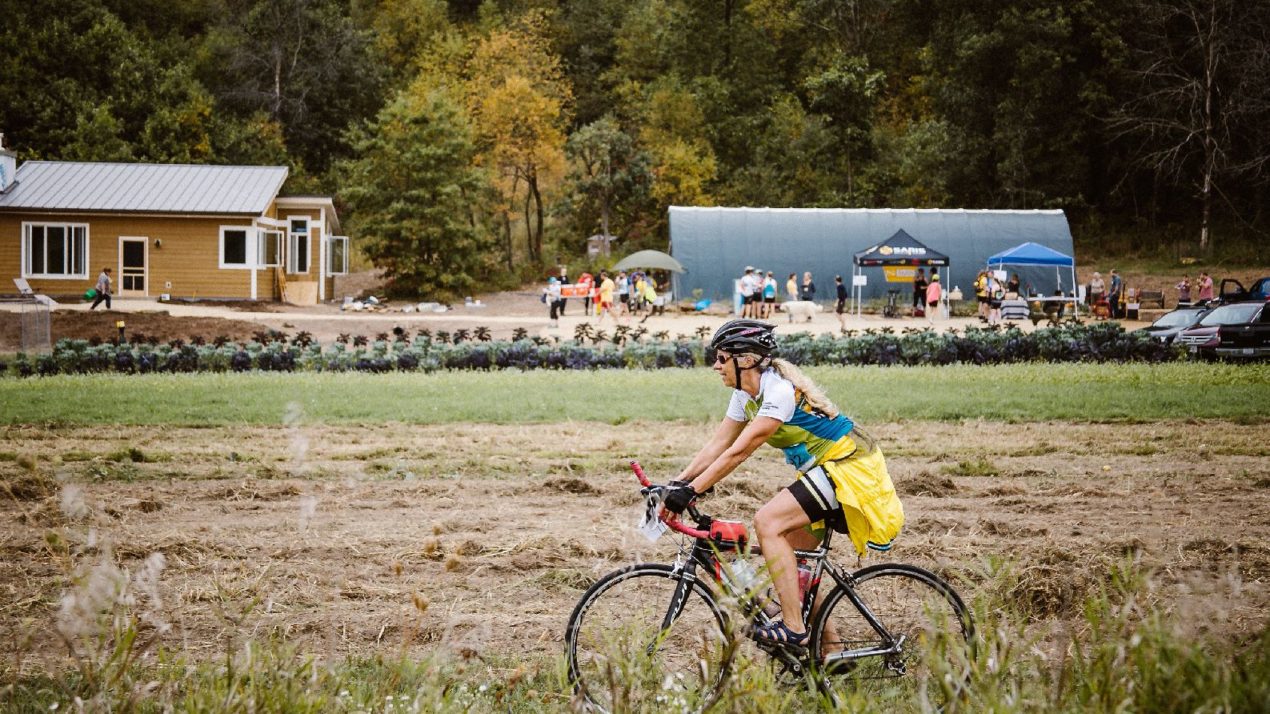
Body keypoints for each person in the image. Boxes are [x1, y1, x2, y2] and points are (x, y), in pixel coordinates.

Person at [662, 320, 904, 650]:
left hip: (850, 466)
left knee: (768, 522)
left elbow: (740, 451)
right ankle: (833, 653)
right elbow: (718, 444)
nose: (715, 366)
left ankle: (793, 628)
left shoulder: (778, 392)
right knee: (794, 564)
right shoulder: (745, 395)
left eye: (721, 358)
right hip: (824, 471)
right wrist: (677, 483)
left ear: (745, 359)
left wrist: (690, 491)